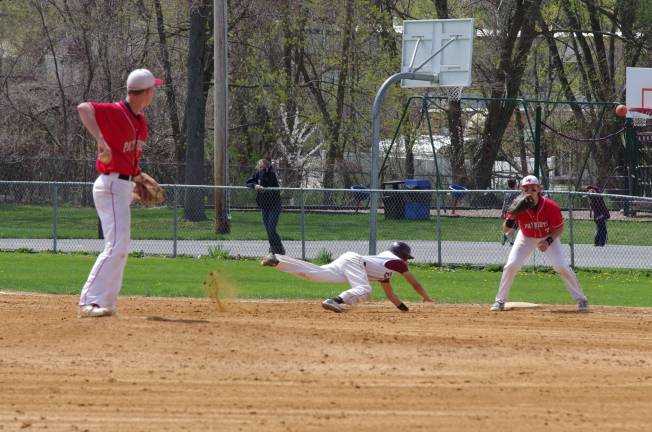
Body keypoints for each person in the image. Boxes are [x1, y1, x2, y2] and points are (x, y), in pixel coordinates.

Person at [77, 68, 163, 317]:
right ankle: (89, 301)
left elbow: (129, 160)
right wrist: (100, 139)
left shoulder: (141, 122)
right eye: (153, 89)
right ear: (146, 92)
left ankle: (106, 303)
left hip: (123, 185)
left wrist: (138, 178)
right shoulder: (116, 111)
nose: (153, 93)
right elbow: (84, 108)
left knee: (120, 246)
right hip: (110, 183)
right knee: (116, 244)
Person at [490, 175, 589, 312]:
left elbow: (559, 228)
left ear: (539, 189)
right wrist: (512, 217)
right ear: (521, 190)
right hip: (525, 237)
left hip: (547, 236)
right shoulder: (517, 205)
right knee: (511, 265)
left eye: (533, 188)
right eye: (525, 188)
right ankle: (500, 301)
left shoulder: (550, 206)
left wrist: (548, 241)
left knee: (561, 266)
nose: (529, 191)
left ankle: (581, 300)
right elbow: (506, 229)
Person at [261, 241, 432, 313]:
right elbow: (415, 285)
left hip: (350, 262)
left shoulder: (384, 270)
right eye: (406, 258)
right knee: (365, 289)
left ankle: (277, 260)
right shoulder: (397, 263)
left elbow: (391, 295)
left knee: (315, 275)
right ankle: (335, 300)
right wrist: (427, 298)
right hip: (354, 261)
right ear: (402, 256)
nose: (406, 262)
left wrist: (405, 310)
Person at [246, 159, 286, 258]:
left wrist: (265, 173)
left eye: (262, 167)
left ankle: (279, 247)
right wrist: (255, 185)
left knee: (271, 228)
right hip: (265, 206)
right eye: (259, 167)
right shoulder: (257, 174)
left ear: (267, 167)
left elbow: (268, 182)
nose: (260, 169)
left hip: (274, 205)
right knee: (268, 229)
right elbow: (248, 183)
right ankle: (273, 249)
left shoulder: (271, 174)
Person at [501, 178, 520, 245]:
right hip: (514, 211)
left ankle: (512, 241)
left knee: (511, 227)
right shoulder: (517, 193)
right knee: (514, 227)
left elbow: (504, 203)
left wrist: (502, 212)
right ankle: (506, 235)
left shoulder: (507, 193)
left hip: (508, 211)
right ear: (515, 184)